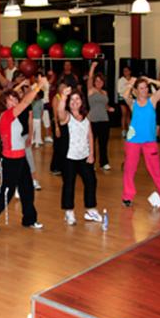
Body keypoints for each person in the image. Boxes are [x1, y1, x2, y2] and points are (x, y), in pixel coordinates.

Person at [0, 75, 49, 233]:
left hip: (21, 157)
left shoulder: (13, 114)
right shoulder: (6, 116)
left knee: (27, 189)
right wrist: (38, 85)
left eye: (15, 99)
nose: (14, 101)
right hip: (10, 159)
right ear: (5, 103)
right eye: (10, 100)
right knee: (5, 192)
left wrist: (22, 86)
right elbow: (25, 102)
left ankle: (29, 219)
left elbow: (21, 100)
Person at [121, 76, 160, 208]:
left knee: (156, 171)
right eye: (141, 88)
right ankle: (127, 196)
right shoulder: (133, 103)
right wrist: (131, 85)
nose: (144, 90)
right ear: (136, 90)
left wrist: (150, 80)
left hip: (149, 142)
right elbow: (124, 96)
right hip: (133, 141)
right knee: (129, 169)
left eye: (146, 87)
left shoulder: (152, 101)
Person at [56, 86, 100, 224]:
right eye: (72, 99)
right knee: (69, 184)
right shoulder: (67, 117)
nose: (75, 101)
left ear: (82, 101)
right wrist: (63, 96)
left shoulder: (86, 116)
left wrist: (92, 153)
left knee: (91, 181)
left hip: (84, 155)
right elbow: (60, 111)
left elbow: (90, 135)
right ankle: (69, 212)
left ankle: (90, 209)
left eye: (77, 99)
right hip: (69, 157)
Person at [86, 61, 115, 171]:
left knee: (103, 143)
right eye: (96, 81)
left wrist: (109, 108)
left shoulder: (105, 92)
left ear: (103, 82)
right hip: (92, 120)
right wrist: (93, 67)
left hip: (104, 120)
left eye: (100, 81)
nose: (98, 82)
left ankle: (104, 162)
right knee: (91, 143)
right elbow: (89, 78)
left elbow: (105, 105)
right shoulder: (91, 90)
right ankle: (91, 162)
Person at [117, 66, 135, 138]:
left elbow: (134, 90)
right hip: (122, 98)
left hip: (130, 98)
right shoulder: (121, 80)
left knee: (129, 115)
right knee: (124, 114)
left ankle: (130, 131)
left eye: (127, 71)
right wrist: (127, 87)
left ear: (130, 72)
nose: (126, 72)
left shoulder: (133, 79)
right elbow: (119, 90)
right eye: (124, 71)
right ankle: (123, 130)